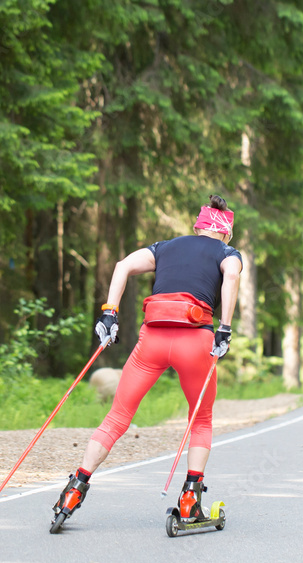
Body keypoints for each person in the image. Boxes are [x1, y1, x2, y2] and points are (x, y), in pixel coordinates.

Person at [51, 194, 243, 529]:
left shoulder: (165, 247)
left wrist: (109, 314)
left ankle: (74, 489)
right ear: (225, 233)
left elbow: (122, 266)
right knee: (201, 420)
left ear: (198, 227)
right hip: (195, 342)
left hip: (152, 338)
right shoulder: (228, 254)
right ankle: (189, 500)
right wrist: (225, 328)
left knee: (117, 418)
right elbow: (231, 277)